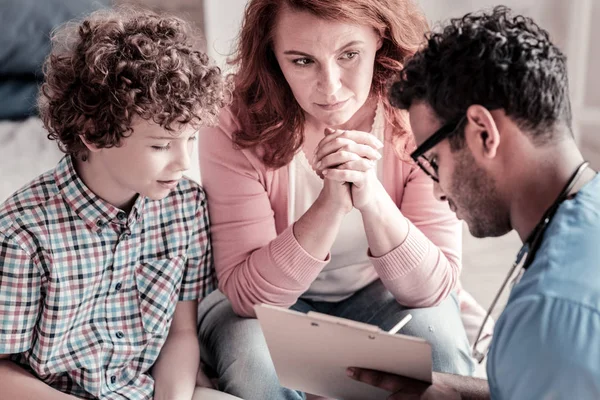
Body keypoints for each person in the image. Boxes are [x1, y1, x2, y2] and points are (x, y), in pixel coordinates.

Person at [197, 1, 489, 399]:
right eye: (302, 61)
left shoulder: (421, 108)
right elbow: (250, 298)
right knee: (254, 368)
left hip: (381, 294)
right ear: (272, 56)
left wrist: (370, 196)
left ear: (379, 39)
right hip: (267, 309)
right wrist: (329, 204)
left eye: (349, 55)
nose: (330, 87)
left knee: (446, 360)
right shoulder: (233, 118)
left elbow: (432, 289)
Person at [348, 6, 600, 399]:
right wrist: (447, 387)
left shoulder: (551, 312)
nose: (437, 190)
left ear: (483, 132)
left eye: (433, 161)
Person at [0, 7, 236, 400]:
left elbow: (181, 332)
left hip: (145, 389)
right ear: (93, 133)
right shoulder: (21, 235)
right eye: (161, 145)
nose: (183, 163)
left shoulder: (186, 205)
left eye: (190, 139)